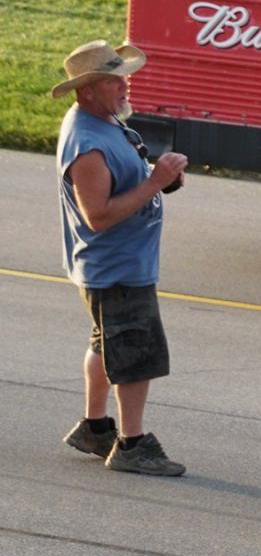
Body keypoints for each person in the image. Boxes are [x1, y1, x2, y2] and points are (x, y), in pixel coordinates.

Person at [53, 40, 189, 476]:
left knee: (105, 345)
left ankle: (95, 427)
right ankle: (132, 445)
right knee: (134, 355)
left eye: (122, 75)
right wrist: (156, 183)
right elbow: (98, 216)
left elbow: (121, 186)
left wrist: (158, 179)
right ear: (87, 90)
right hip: (116, 269)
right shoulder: (88, 144)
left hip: (114, 266)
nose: (124, 84)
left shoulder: (105, 121)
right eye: (113, 79)